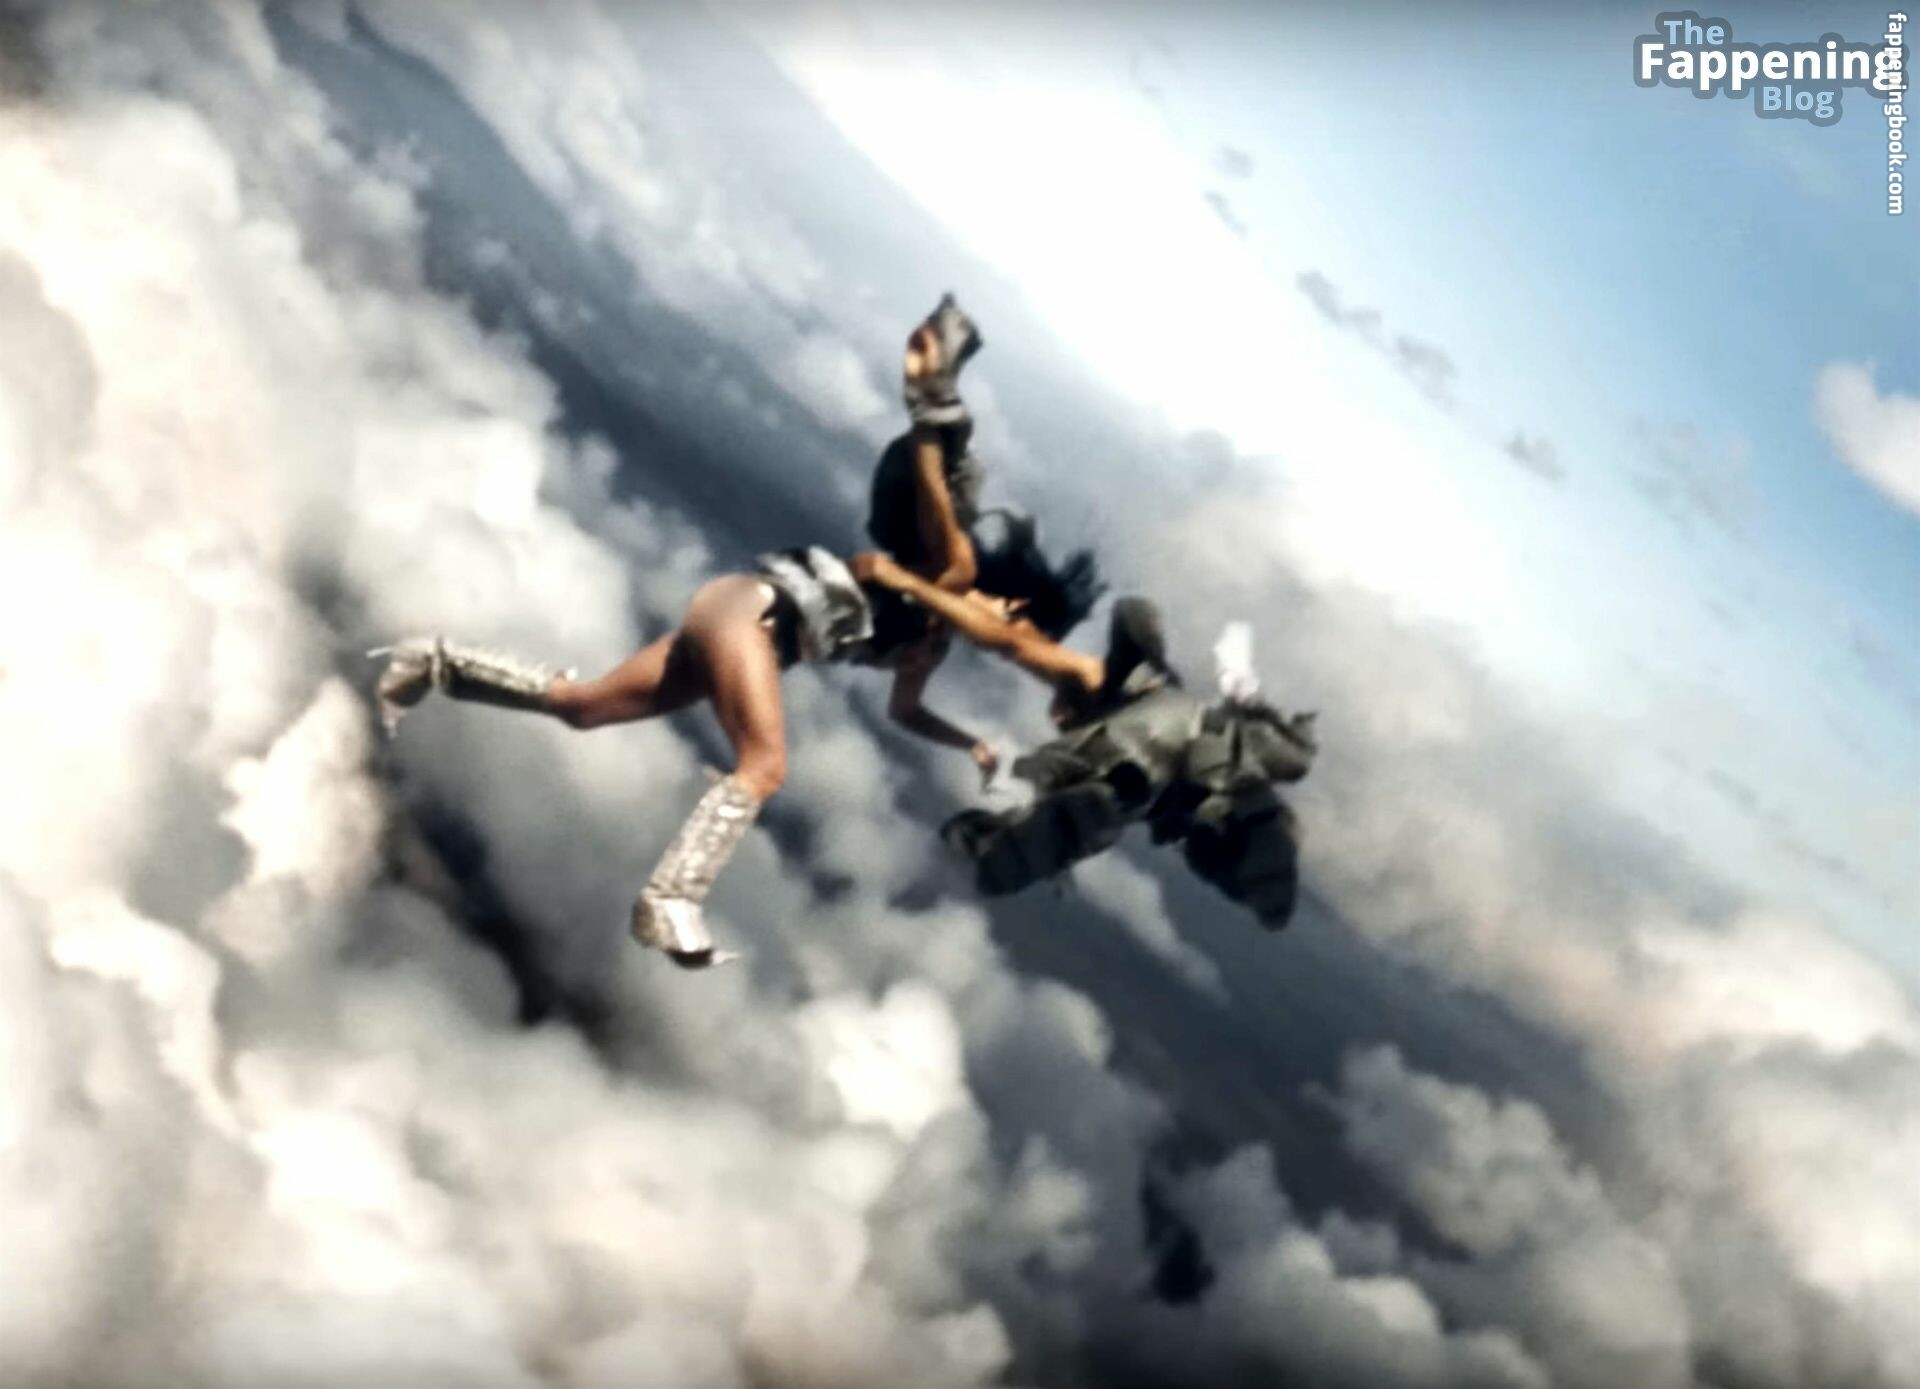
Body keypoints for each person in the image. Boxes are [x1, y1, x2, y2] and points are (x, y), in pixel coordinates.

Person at [372, 530, 1101, 969]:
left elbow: (904, 710)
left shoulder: (928, 645)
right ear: (1011, 600)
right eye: (1017, 621)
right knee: (766, 765)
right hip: (755, 613)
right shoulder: (945, 577)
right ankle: (669, 900)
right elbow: (875, 564)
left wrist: (970, 743)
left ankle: (434, 661)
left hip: (739, 624)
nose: (1007, 636)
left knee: (584, 708)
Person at [848, 552, 1318, 928]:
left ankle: (937, 881)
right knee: (1064, 807)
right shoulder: (1130, 705)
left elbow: (1013, 641)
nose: (1056, 718)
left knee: (1057, 807)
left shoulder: (1113, 693)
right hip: (1159, 765)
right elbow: (918, 702)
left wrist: (906, 583)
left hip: (1151, 761)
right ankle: (937, 881)